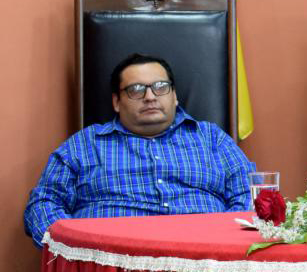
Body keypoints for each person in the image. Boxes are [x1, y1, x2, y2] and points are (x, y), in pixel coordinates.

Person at [24, 53, 253, 248]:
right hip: (111, 267)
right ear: (116, 101)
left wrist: (227, 245)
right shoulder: (84, 144)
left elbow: (249, 195)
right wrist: (74, 250)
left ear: (174, 97)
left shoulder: (212, 138)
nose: (150, 97)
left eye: (161, 87)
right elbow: (43, 203)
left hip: (205, 263)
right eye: (136, 89)